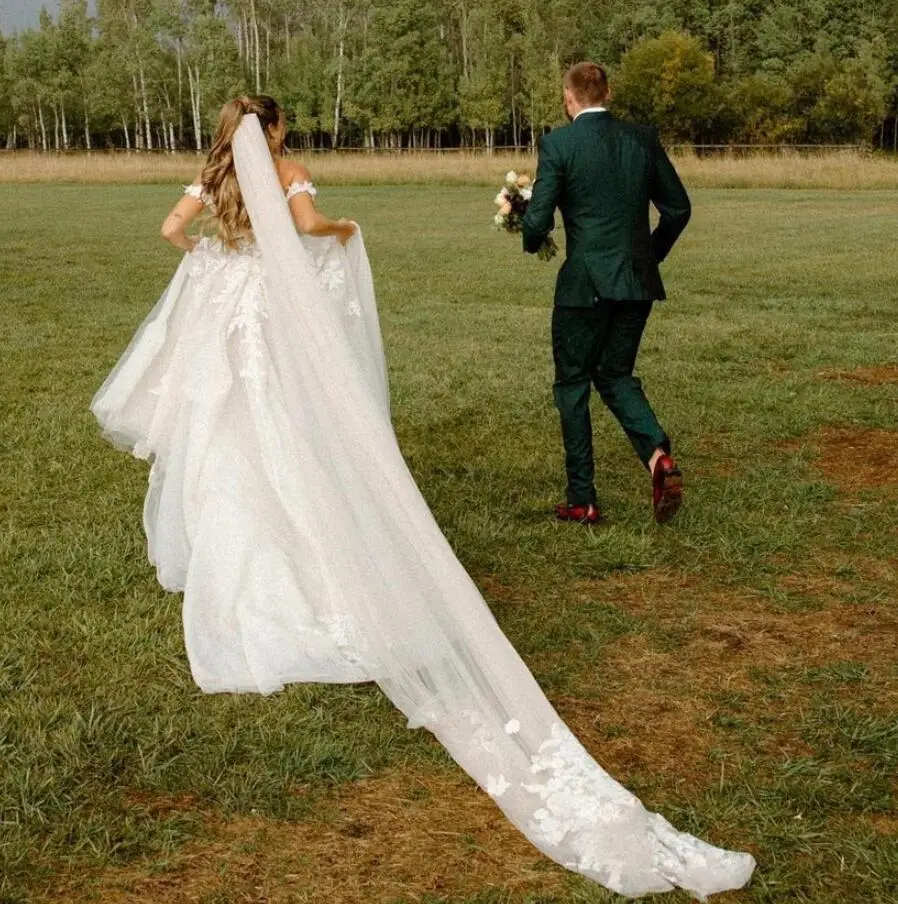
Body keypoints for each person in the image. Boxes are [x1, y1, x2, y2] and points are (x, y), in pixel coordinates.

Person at [92, 95, 754, 898]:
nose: (287, 140)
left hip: (232, 314)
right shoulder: (290, 174)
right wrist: (345, 231)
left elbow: (170, 234)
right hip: (273, 315)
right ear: (271, 133)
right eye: (282, 128)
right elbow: (304, 231)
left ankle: (233, 559)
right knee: (292, 432)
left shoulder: (210, 175)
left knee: (230, 437)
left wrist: (213, 258)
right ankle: (310, 564)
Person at [523, 62, 691, 526]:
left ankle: (583, 498)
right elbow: (678, 208)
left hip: (585, 286)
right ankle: (658, 457)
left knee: (573, 385)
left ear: (568, 97)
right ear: (608, 93)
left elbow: (538, 220)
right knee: (616, 374)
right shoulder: (642, 139)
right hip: (636, 282)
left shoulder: (559, 144)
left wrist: (530, 236)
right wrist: (649, 256)